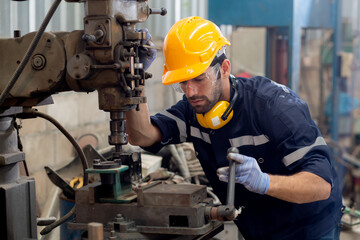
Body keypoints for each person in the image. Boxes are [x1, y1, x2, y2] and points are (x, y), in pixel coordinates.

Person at [127, 16, 343, 239]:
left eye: (199, 78)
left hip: (309, 229)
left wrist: (265, 182)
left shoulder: (274, 106)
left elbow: (321, 185)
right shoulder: (194, 110)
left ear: (224, 68)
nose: (190, 92)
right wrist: (135, 78)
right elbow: (141, 135)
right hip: (256, 229)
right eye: (183, 82)